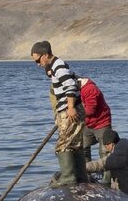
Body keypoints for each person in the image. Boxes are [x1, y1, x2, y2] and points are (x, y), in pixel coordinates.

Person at [31, 40, 88, 187]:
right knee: (75, 143)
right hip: (72, 108)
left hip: (69, 110)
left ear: (45, 55)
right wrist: (49, 71)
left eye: (38, 60)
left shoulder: (58, 66)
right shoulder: (56, 66)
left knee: (63, 144)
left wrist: (70, 107)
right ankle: (81, 176)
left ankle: (68, 177)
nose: (38, 64)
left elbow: (70, 85)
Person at [77, 70, 113, 162]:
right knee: (83, 149)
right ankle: (87, 173)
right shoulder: (79, 90)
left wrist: (74, 112)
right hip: (88, 123)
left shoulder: (90, 89)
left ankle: (107, 174)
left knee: (104, 151)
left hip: (101, 122)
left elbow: (90, 110)